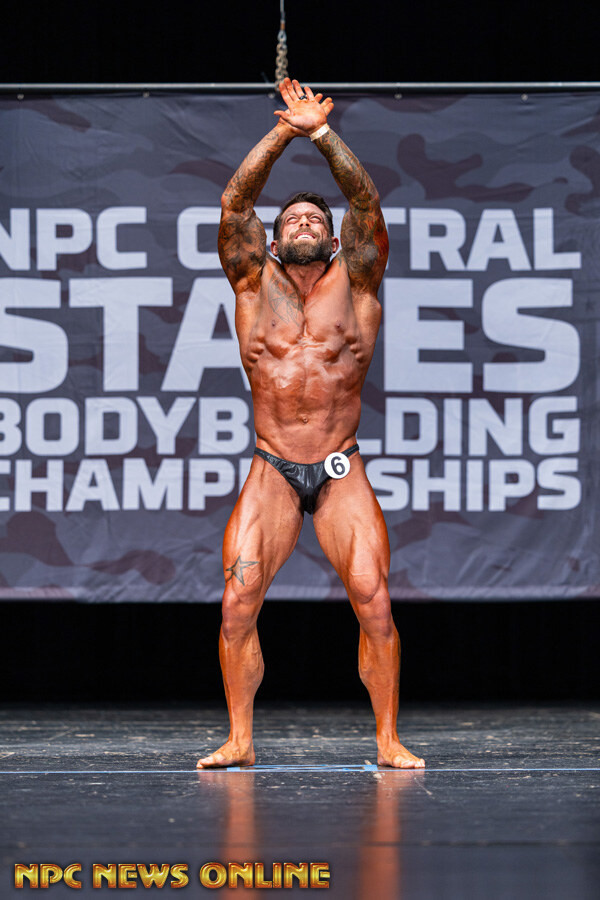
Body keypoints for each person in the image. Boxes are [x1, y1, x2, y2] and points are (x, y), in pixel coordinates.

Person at [197, 78, 425, 770]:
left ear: (332, 240)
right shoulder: (250, 281)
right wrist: (283, 131)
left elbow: (366, 204)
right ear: (270, 240)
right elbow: (234, 203)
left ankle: (388, 741)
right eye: (291, 219)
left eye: (314, 221)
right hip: (272, 464)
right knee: (237, 604)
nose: (302, 223)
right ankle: (240, 740)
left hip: (338, 465)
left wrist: (320, 133)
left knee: (375, 603)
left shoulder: (359, 281)